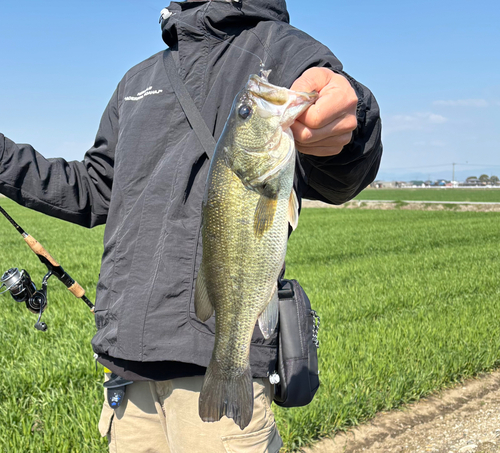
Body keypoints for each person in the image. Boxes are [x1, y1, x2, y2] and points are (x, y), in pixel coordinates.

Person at [0, 0, 382, 451]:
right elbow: (95, 188)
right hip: (127, 372)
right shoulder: (137, 80)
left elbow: (342, 164)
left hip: (214, 366)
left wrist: (354, 124)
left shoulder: (282, 51)